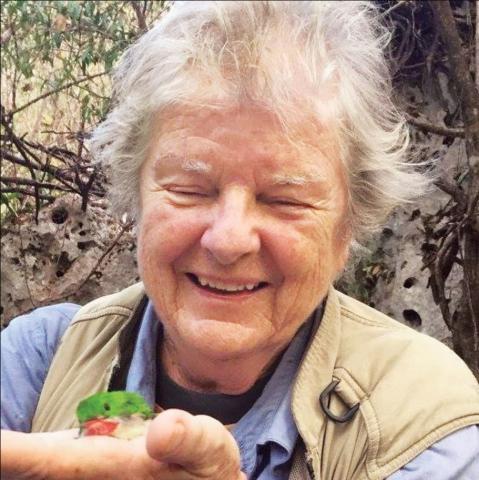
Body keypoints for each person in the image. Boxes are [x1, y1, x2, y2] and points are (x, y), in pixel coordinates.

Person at [1, 1, 478, 479]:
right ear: (137, 197)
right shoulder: (41, 360)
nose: (228, 240)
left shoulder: (426, 423)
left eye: (284, 199)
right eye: (189, 190)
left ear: (347, 227)